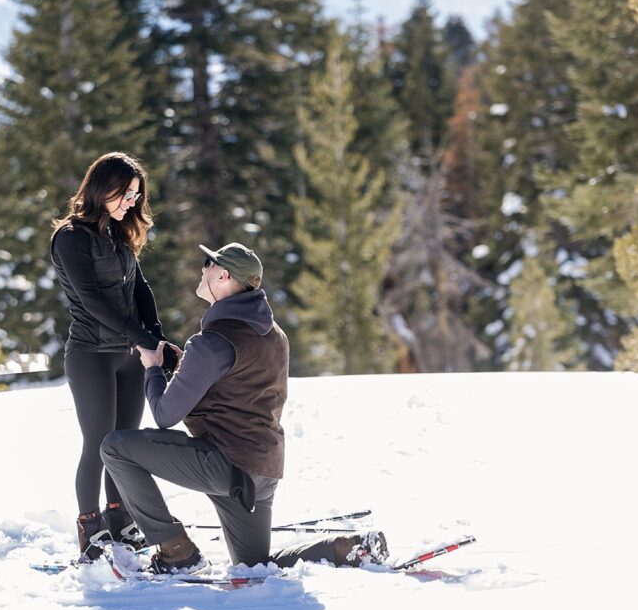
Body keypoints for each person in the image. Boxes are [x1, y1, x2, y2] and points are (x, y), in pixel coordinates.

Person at [99, 242, 387, 574]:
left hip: (225, 465)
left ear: (223, 275)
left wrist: (151, 367)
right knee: (253, 566)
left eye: (208, 264)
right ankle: (348, 548)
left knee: (116, 448)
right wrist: (183, 366)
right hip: (261, 471)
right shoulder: (274, 335)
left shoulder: (213, 341)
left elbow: (165, 415)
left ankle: (176, 550)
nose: (203, 269)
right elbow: (238, 386)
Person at [50, 152, 180, 561]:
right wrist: (143, 339)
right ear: (101, 188)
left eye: (136, 196)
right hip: (91, 355)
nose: (131, 203)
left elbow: (141, 291)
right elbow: (93, 302)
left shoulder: (118, 234)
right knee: (98, 443)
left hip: (127, 356)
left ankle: (120, 520)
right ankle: (91, 530)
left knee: (123, 445)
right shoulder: (71, 238)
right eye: (125, 194)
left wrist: (155, 339)